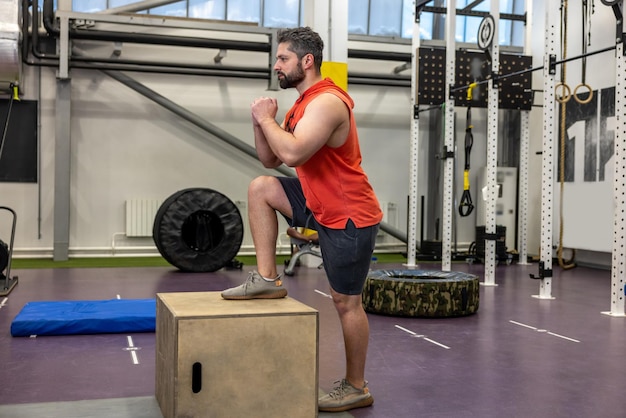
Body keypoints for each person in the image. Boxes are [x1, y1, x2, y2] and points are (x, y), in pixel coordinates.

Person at [221, 26, 382, 413]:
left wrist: (268, 120)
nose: (277, 65)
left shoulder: (326, 102)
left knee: (346, 302)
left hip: (348, 215)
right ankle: (267, 279)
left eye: (283, 59)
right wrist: (260, 121)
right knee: (261, 186)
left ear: (306, 61)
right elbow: (271, 159)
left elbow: (291, 154)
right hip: (317, 203)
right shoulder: (299, 104)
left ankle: (356, 386)